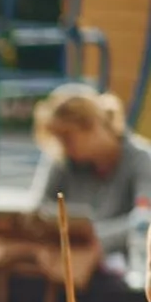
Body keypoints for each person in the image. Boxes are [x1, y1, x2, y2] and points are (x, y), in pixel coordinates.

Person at [29, 83, 151, 275]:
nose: (63, 146)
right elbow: (39, 208)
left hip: (126, 269)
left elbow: (145, 220)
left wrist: (95, 238)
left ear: (92, 126)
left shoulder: (142, 160)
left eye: (67, 138)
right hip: (65, 262)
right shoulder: (63, 159)